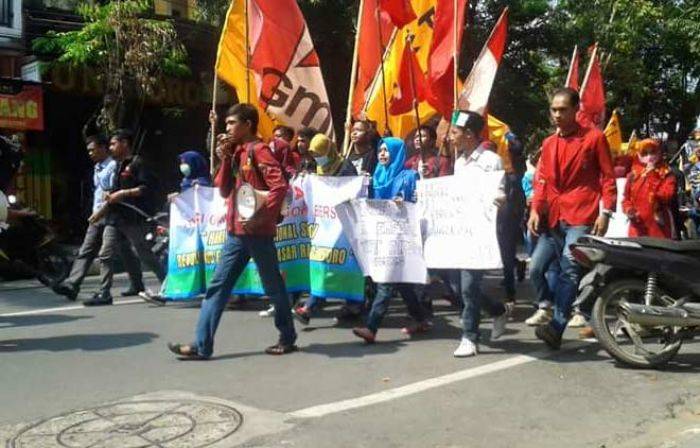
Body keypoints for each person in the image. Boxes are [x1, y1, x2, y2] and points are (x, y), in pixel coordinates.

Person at [167, 104, 296, 359]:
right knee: (218, 287)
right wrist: (225, 157)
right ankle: (201, 345)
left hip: (258, 234)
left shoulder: (260, 151)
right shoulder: (237, 152)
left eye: (231, 123)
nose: (226, 128)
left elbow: (279, 186)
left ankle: (287, 336)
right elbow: (224, 190)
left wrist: (260, 218)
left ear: (248, 125)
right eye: (226, 124)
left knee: (273, 288)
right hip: (236, 233)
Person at [527, 88, 616, 349]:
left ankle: (557, 325)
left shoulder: (594, 138)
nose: (557, 114)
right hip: (552, 217)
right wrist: (535, 209)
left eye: (563, 109)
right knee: (535, 268)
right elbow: (541, 181)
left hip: (581, 213)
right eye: (553, 109)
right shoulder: (548, 143)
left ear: (575, 109)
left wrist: (606, 211)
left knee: (569, 267)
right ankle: (551, 305)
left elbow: (607, 178)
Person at [352, 137, 431, 343]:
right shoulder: (375, 177)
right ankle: (421, 318)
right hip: (383, 236)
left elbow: (420, 201)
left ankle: (372, 327)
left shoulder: (409, 176)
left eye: (387, 151)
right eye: (381, 150)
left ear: (397, 153)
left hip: (402, 236)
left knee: (386, 281)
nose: (383, 154)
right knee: (403, 283)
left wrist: (404, 202)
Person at [448, 110, 509, 357]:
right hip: (460, 230)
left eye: (454, 132)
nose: (450, 137)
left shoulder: (491, 161)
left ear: (469, 134)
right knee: (456, 285)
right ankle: (497, 310)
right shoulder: (459, 162)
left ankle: (469, 336)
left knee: (469, 285)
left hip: (480, 232)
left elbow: (499, 191)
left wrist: (499, 198)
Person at [53, 135, 143, 302]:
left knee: (116, 252)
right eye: (88, 151)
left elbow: (112, 194)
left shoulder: (113, 167)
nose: (90, 153)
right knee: (89, 249)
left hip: (111, 214)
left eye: (93, 149)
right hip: (99, 213)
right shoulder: (98, 167)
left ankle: (109, 291)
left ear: (103, 148)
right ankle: (73, 284)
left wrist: (100, 212)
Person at [88, 129, 166, 306]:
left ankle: (168, 283)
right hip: (115, 217)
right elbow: (113, 193)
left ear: (124, 143)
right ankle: (104, 293)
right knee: (105, 254)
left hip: (133, 218)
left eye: (114, 144)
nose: (111, 148)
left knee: (144, 254)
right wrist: (102, 209)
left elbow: (147, 188)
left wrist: (124, 193)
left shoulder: (137, 163)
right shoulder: (117, 166)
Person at [293, 133, 360, 325]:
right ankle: (312, 305)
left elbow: (351, 191)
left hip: (344, 224)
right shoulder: (319, 166)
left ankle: (351, 303)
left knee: (343, 261)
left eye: (320, 152)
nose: (317, 157)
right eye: (314, 153)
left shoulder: (345, 166)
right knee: (324, 261)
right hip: (326, 224)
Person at [140, 150, 212, 305]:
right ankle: (166, 292)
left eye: (185, 162)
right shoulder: (186, 182)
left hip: (203, 230)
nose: (183, 166)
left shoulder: (203, 182)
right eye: (181, 163)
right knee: (178, 259)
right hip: (188, 230)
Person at [623, 139, 677, 239]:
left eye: (652, 152)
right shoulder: (633, 175)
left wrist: (653, 176)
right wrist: (629, 210)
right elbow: (626, 199)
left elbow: (666, 196)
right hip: (637, 228)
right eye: (645, 153)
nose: (649, 156)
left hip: (659, 228)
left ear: (659, 153)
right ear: (639, 155)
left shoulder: (666, 174)